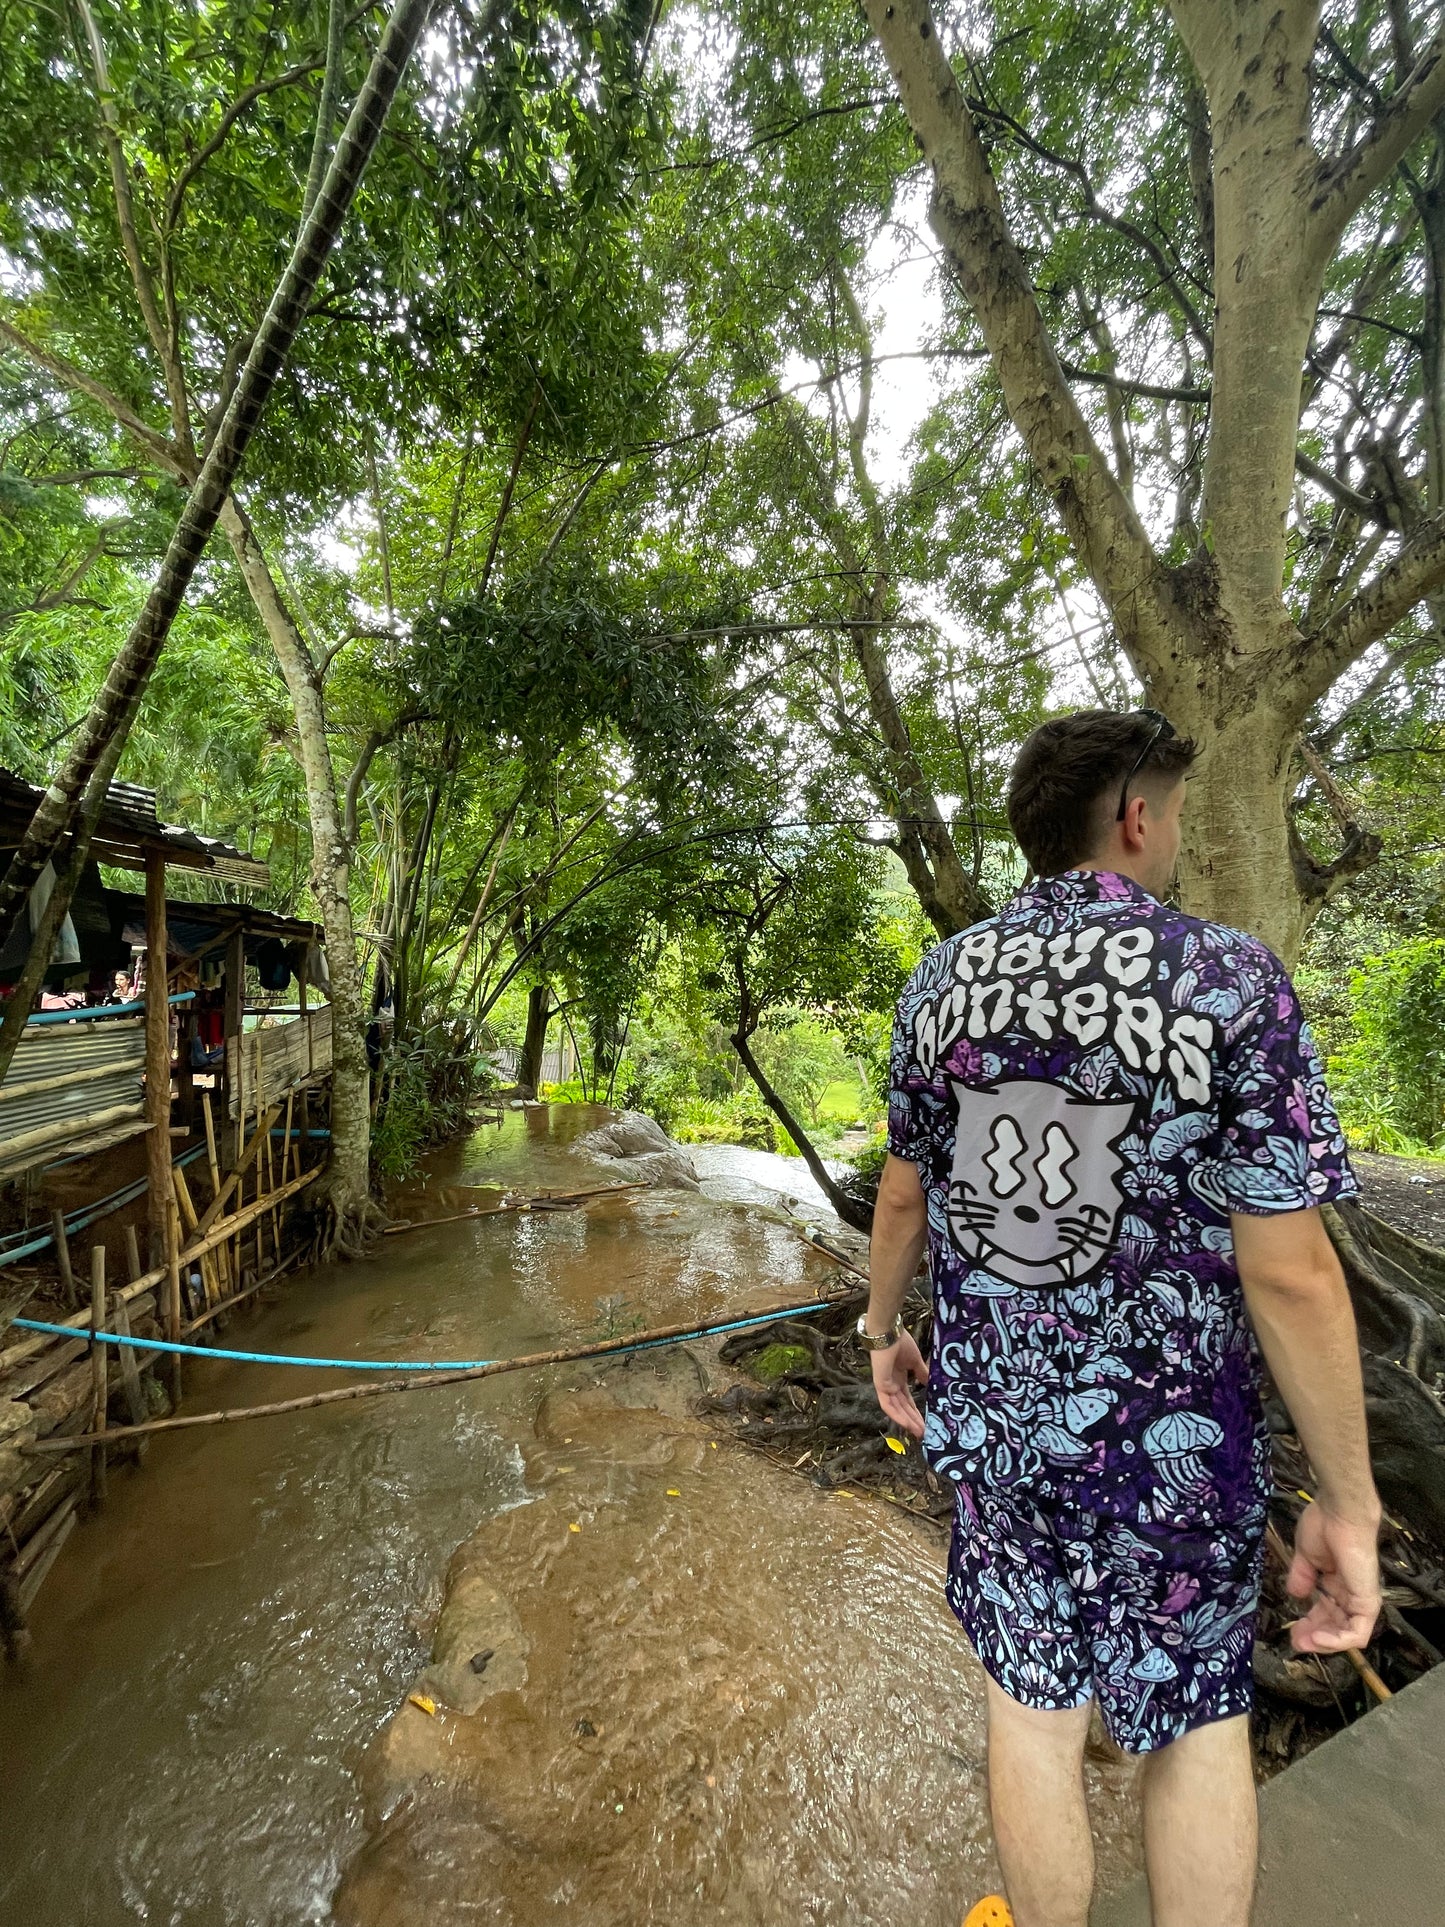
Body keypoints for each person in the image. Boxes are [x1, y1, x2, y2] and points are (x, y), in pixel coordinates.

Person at [863, 709, 1381, 1927]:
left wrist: (882, 1327)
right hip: (1173, 1452)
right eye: (1178, 815)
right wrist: (1348, 1497)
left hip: (997, 1424)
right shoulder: (1226, 978)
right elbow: (1292, 1272)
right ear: (1136, 817)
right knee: (1195, 1722)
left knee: (1028, 1709)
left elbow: (903, 1190)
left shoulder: (945, 978)